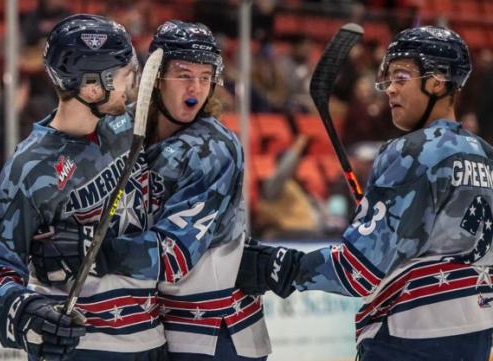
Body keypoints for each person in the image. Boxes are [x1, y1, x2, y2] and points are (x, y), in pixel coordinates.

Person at [237, 26, 493, 361]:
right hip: (475, 335)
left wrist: (277, 266)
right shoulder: (486, 155)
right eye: (388, 78)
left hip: (409, 338)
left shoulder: (412, 152)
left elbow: (358, 271)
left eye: (401, 76)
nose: (390, 89)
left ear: (438, 80)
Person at [45, 20, 272, 360]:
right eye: (183, 74)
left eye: (205, 76)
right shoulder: (122, 127)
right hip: (158, 329)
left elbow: (173, 256)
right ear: (155, 75)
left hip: (217, 335)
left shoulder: (213, 149)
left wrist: (89, 249)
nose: (196, 86)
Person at [0, 14, 167, 361]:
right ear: (92, 87)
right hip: (85, 348)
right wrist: (26, 311)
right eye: (124, 77)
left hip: (151, 339)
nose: (131, 86)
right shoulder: (31, 168)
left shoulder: (131, 127)